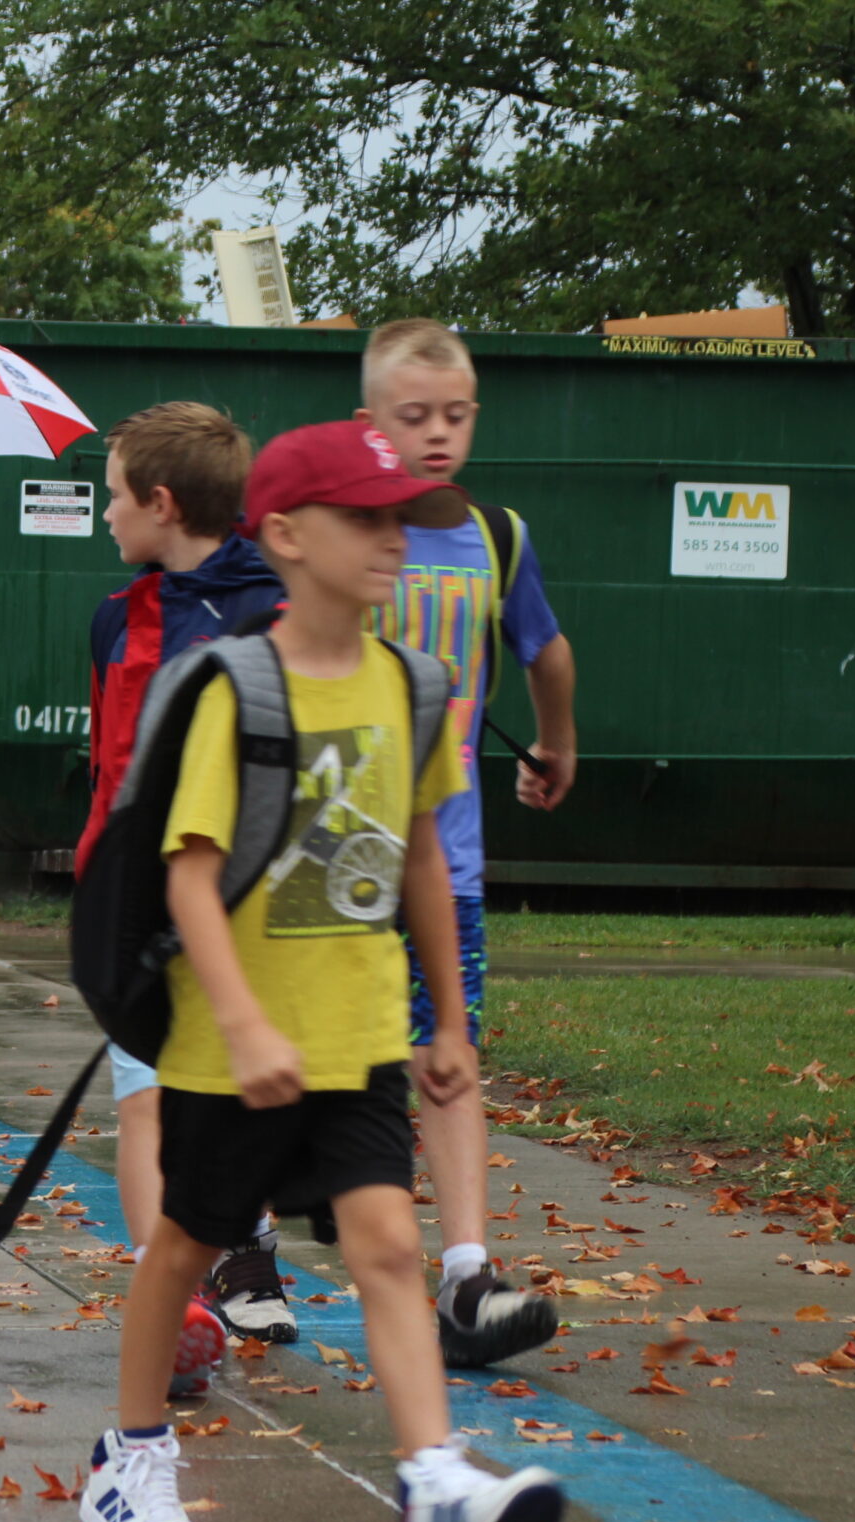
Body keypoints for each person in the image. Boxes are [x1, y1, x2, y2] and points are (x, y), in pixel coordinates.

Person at [81, 419, 564, 1522]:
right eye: (364, 519)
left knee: (390, 1244)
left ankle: (437, 1483)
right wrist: (240, 1019)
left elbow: (416, 867)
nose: (391, 539)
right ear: (287, 535)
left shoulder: (412, 686)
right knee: (185, 1248)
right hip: (228, 1046)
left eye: (398, 517)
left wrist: (445, 1020)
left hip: (357, 1034)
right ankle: (129, 1458)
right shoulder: (232, 687)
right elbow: (190, 873)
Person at [358, 319, 576, 1366]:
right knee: (313, 1070)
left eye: (453, 415)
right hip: (338, 860)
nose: (436, 434)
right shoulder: (343, 528)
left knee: (447, 1059)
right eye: (413, 418)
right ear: (370, 424)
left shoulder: (498, 536)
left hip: (445, 857)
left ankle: (465, 1276)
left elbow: (545, 647)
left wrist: (554, 742)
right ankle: (243, 1242)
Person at [82, 403, 297, 1364]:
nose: (105, 516)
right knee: (144, 1101)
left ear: (161, 504)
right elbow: (109, 765)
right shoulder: (115, 619)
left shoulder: (278, 609)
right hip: (139, 901)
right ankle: (164, 1305)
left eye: (113, 495)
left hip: (245, 905)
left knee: (232, 1102)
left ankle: (243, 1257)